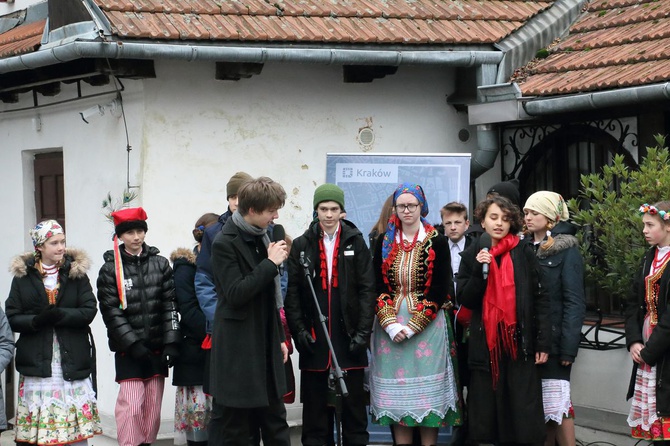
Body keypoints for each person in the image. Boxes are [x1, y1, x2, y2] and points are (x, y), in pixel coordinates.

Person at [369, 182, 461, 446]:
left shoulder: (437, 241)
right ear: (395, 209)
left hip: (428, 328)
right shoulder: (384, 242)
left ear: (422, 207)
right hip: (390, 328)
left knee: (428, 399)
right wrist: (390, 323)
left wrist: (413, 326)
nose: (407, 210)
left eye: (412, 205)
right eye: (401, 206)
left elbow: (440, 288)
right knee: (397, 400)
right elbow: (377, 285)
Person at [285, 183, 376, 446]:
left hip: (349, 337)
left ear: (342, 212)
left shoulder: (356, 241)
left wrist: (362, 333)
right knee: (315, 414)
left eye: (333, 209)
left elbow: (367, 291)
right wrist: (300, 330)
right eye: (323, 209)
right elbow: (292, 294)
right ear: (316, 211)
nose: (328, 214)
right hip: (315, 337)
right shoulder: (302, 244)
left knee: (354, 411)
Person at [456, 195, 551, 446]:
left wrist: (542, 342)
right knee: (485, 415)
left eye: (506, 219)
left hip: (520, 346)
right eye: (493, 217)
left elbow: (540, 298)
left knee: (522, 412)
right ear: (483, 222)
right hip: (485, 348)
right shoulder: (473, 254)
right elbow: (466, 299)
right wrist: (479, 270)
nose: (499, 223)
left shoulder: (524, 253)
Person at [207, 176, 290, 446]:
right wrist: (269, 264)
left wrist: (280, 336)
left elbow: (269, 297)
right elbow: (235, 294)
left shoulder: (265, 236)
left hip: (266, 341)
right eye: (271, 211)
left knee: (276, 420)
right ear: (252, 210)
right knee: (238, 428)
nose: (276, 216)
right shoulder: (224, 242)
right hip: (239, 349)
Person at [6, 219, 100, 445]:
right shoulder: (23, 277)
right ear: (39, 247)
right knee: (42, 426)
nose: (61, 247)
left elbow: (89, 309)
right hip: (38, 360)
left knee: (73, 426)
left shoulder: (76, 274)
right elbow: (12, 316)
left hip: (71, 357)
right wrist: (37, 320)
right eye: (54, 243)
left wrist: (62, 316)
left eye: (62, 242)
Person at [97, 207, 181, 446]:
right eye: (130, 232)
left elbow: (170, 304)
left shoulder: (161, 264)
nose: (136, 237)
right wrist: (132, 344)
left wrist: (172, 341)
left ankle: (146, 443)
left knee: (152, 410)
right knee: (131, 406)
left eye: (140, 231)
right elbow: (111, 312)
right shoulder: (110, 269)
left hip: (156, 347)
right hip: (129, 350)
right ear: (120, 236)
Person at [523, 191, 586, 446]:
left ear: (549, 217)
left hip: (557, 341)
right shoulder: (523, 247)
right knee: (539, 407)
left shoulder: (566, 250)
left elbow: (574, 301)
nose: (527, 217)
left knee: (558, 404)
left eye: (534, 213)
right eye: (526, 212)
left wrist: (568, 349)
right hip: (531, 341)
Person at [171, 213, 219, 446]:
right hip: (196, 353)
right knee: (199, 434)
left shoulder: (223, 263)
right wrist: (220, 330)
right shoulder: (185, 267)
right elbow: (188, 312)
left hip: (221, 354)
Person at [626, 201, 670, 443]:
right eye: (644, 225)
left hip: (663, 345)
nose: (644, 230)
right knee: (654, 416)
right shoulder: (648, 257)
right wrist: (634, 341)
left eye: (650, 225)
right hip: (646, 341)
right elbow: (633, 302)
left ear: (668, 226)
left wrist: (650, 351)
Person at [438, 201, 474, 446]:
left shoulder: (475, 246)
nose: (452, 227)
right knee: (453, 376)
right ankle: (456, 428)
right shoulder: (438, 247)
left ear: (466, 223)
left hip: (470, 320)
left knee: (472, 376)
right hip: (446, 318)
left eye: (457, 222)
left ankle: (471, 431)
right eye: (448, 223)